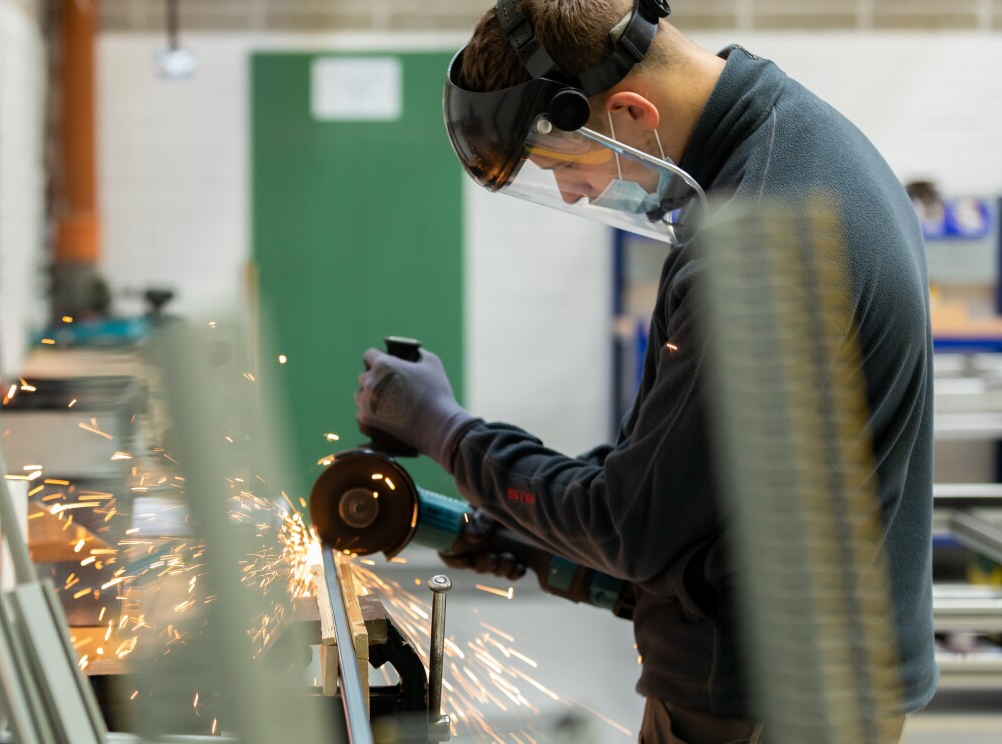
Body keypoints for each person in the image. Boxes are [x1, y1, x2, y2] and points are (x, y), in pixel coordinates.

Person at [353, 1, 936, 742]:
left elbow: (630, 526)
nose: (574, 191)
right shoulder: (790, 146)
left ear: (629, 109)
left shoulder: (758, 232)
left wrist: (443, 428)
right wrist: (521, 524)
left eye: (567, 165)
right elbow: (682, 474)